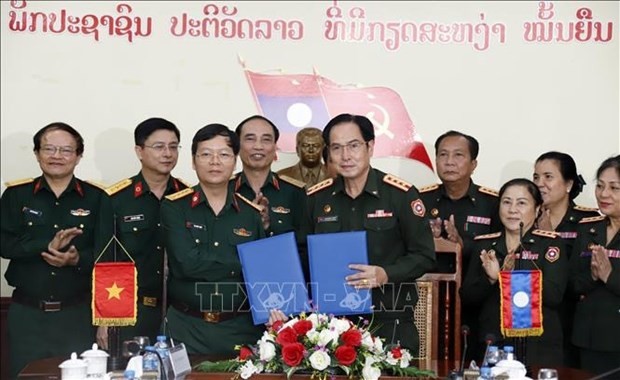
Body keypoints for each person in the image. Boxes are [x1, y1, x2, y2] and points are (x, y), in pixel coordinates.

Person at [299, 113, 436, 356]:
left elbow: (424, 255)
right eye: (337, 148)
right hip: (331, 326)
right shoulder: (315, 199)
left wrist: (386, 274)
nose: (346, 155)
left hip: (390, 321)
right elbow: (301, 256)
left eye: (353, 146)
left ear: (370, 146)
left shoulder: (401, 195)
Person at [1, 122, 112, 378]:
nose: (57, 156)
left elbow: (107, 254)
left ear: (78, 156)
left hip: (76, 315)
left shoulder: (97, 198)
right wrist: (44, 246)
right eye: (49, 149)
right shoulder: (16, 195)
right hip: (27, 315)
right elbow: (4, 244)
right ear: (37, 154)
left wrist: (76, 259)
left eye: (65, 150)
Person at [160, 123, 267, 355]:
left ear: (235, 161)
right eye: (206, 154)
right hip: (186, 330)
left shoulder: (251, 214)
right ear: (193, 160)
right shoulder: (174, 206)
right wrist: (241, 263)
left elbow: (260, 274)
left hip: (241, 330)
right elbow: (186, 264)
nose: (215, 161)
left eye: (224, 154)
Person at [96, 118, 189, 349]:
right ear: (139, 151)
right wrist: (107, 318)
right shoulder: (117, 199)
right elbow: (106, 258)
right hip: (131, 311)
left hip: (179, 312)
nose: (168, 153)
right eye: (159, 147)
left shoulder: (187, 197)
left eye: (174, 146)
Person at [460, 178, 568, 366]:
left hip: (538, 344)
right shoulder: (484, 245)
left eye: (521, 203)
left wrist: (505, 278)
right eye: (507, 202)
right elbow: (468, 296)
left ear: (537, 209)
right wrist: (490, 279)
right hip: (493, 340)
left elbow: (554, 295)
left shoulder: (550, 244)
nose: (512, 210)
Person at [419, 130, 500, 361]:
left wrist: (461, 246)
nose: (449, 162)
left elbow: (500, 250)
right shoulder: (420, 199)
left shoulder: (492, 202)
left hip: (477, 303)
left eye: (458, 155)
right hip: (430, 304)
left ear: (473, 164)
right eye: (443, 155)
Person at [532, 151, 600, 367]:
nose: (540, 184)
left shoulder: (588, 221)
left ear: (569, 184)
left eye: (548, 177)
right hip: (538, 318)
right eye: (536, 177)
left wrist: (551, 237)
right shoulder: (526, 218)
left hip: (575, 318)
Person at [570, 155, 620, 375]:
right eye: (600, 186)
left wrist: (610, 276)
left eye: (614, 187)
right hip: (588, 337)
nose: (603, 194)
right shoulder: (588, 229)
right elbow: (572, 282)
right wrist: (591, 276)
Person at [233, 115, 305, 236]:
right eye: (250, 139)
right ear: (238, 146)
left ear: (275, 147)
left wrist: (267, 227)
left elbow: (303, 248)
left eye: (266, 140)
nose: (258, 146)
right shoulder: (224, 190)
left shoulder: (295, 193)